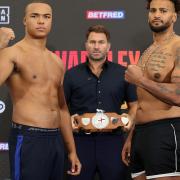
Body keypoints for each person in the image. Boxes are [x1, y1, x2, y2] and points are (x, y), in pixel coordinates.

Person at [0, 1, 81, 180]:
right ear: (24, 21)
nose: (41, 21)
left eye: (46, 17)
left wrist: (72, 151)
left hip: (55, 140)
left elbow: (62, 108)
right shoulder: (13, 53)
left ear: (51, 21)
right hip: (28, 138)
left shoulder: (57, 62)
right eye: (34, 16)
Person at [63, 24, 137, 180]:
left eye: (101, 42)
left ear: (108, 46)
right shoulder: (71, 75)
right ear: (86, 45)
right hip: (80, 142)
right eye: (92, 42)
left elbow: (135, 105)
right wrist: (68, 123)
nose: (96, 46)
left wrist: (129, 122)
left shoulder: (123, 73)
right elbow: (60, 109)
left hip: (113, 142)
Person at [122, 0, 180, 179]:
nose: (157, 15)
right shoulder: (148, 51)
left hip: (165, 130)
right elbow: (142, 100)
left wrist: (140, 80)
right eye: (153, 10)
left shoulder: (177, 47)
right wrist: (132, 137)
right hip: (141, 132)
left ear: (174, 17)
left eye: (163, 11)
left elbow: (178, 95)